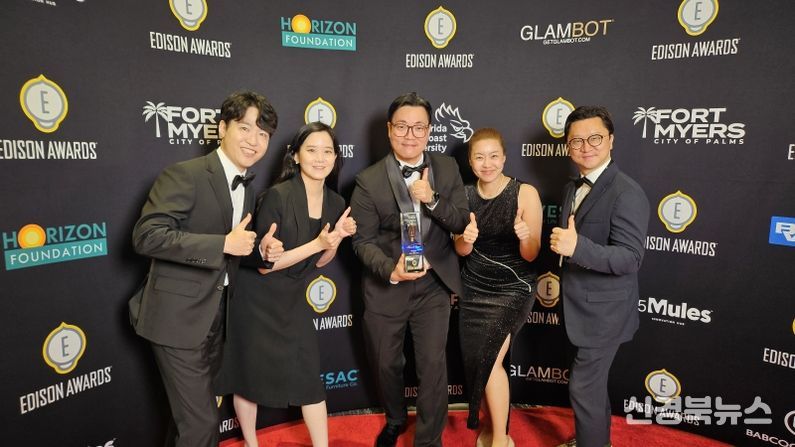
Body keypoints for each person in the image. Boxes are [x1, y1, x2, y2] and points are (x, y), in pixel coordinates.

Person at [129, 91, 284, 447]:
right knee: (201, 426)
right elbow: (147, 236)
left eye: (263, 134)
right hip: (175, 319)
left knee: (187, 423)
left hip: (215, 320)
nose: (254, 140)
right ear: (223, 128)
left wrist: (260, 251)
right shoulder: (186, 174)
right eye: (245, 128)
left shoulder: (247, 188)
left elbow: (235, 249)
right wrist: (223, 244)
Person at [214, 121, 356, 447]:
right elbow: (267, 267)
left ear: (336, 158)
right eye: (311, 150)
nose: (320, 158)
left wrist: (336, 239)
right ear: (295, 156)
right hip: (255, 297)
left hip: (292, 296)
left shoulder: (336, 203)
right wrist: (318, 243)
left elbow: (320, 262)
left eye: (327, 151)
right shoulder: (277, 196)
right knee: (247, 375)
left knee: (309, 378)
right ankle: (251, 443)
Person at [350, 92, 470, 447]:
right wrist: (391, 269)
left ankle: (428, 440)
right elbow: (362, 242)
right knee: (386, 363)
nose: (410, 135)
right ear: (390, 130)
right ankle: (395, 418)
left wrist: (432, 199)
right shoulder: (368, 181)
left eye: (419, 127)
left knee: (432, 365)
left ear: (429, 130)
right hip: (387, 285)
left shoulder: (446, 168)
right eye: (402, 126)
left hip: (433, 284)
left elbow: (461, 221)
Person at [549, 106, 650, 447]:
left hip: (605, 314)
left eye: (595, 138)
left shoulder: (626, 191)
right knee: (590, 389)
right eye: (576, 140)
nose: (586, 147)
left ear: (611, 140)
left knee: (584, 388)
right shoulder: (572, 187)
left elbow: (630, 258)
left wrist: (577, 246)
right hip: (579, 309)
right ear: (568, 146)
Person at [454, 128, 542, 447]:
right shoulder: (463, 194)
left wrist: (525, 237)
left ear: (504, 158)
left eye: (493, 156)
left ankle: (500, 440)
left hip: (513, 287)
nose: (487, 163)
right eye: (479, 157)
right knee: (480, 363)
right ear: (470, 161)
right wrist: (466, 239)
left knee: (490, 362)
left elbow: (532, 254)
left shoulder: (525, 193)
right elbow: (460, 249)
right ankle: (493, 429)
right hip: (474, 286)